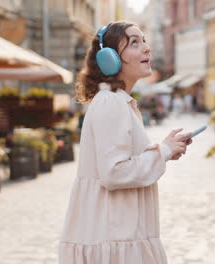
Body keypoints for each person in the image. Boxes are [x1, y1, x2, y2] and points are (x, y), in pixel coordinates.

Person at [59, 21, 192, 264]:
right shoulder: (111, 102)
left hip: (119, 232)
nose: (146, 49)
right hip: (114, 235)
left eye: (144, 40)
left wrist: (165, 149)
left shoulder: (118, 101)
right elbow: (114, 172)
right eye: (134, 43)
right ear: (110, 59)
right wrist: (161, 151)